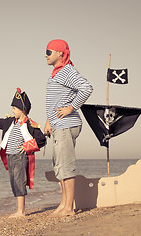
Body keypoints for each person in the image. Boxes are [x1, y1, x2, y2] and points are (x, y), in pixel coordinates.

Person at [0, 88, 46, 218]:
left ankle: (21, 211)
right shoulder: (9, 121)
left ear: (22, 110)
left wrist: (28, 146)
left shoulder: (30, 125)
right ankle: (19, 210)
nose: (12, 110)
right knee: (13, 181)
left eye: (14, 108)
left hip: (20, 157)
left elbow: (41, 139)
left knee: (19, 181)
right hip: (10, 156)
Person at [44, 39, 93, 217]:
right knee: (59, 167)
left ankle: (69, 208)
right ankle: (64, 204)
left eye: (49, 52)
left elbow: (86, 88)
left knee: (66, 166)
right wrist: (48, 121)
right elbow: (54, 101)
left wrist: (71, 107)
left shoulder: (67, 71)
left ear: (60, 54)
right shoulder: (56, 73)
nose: (46, 55)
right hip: (58, 125)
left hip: (67, 125)